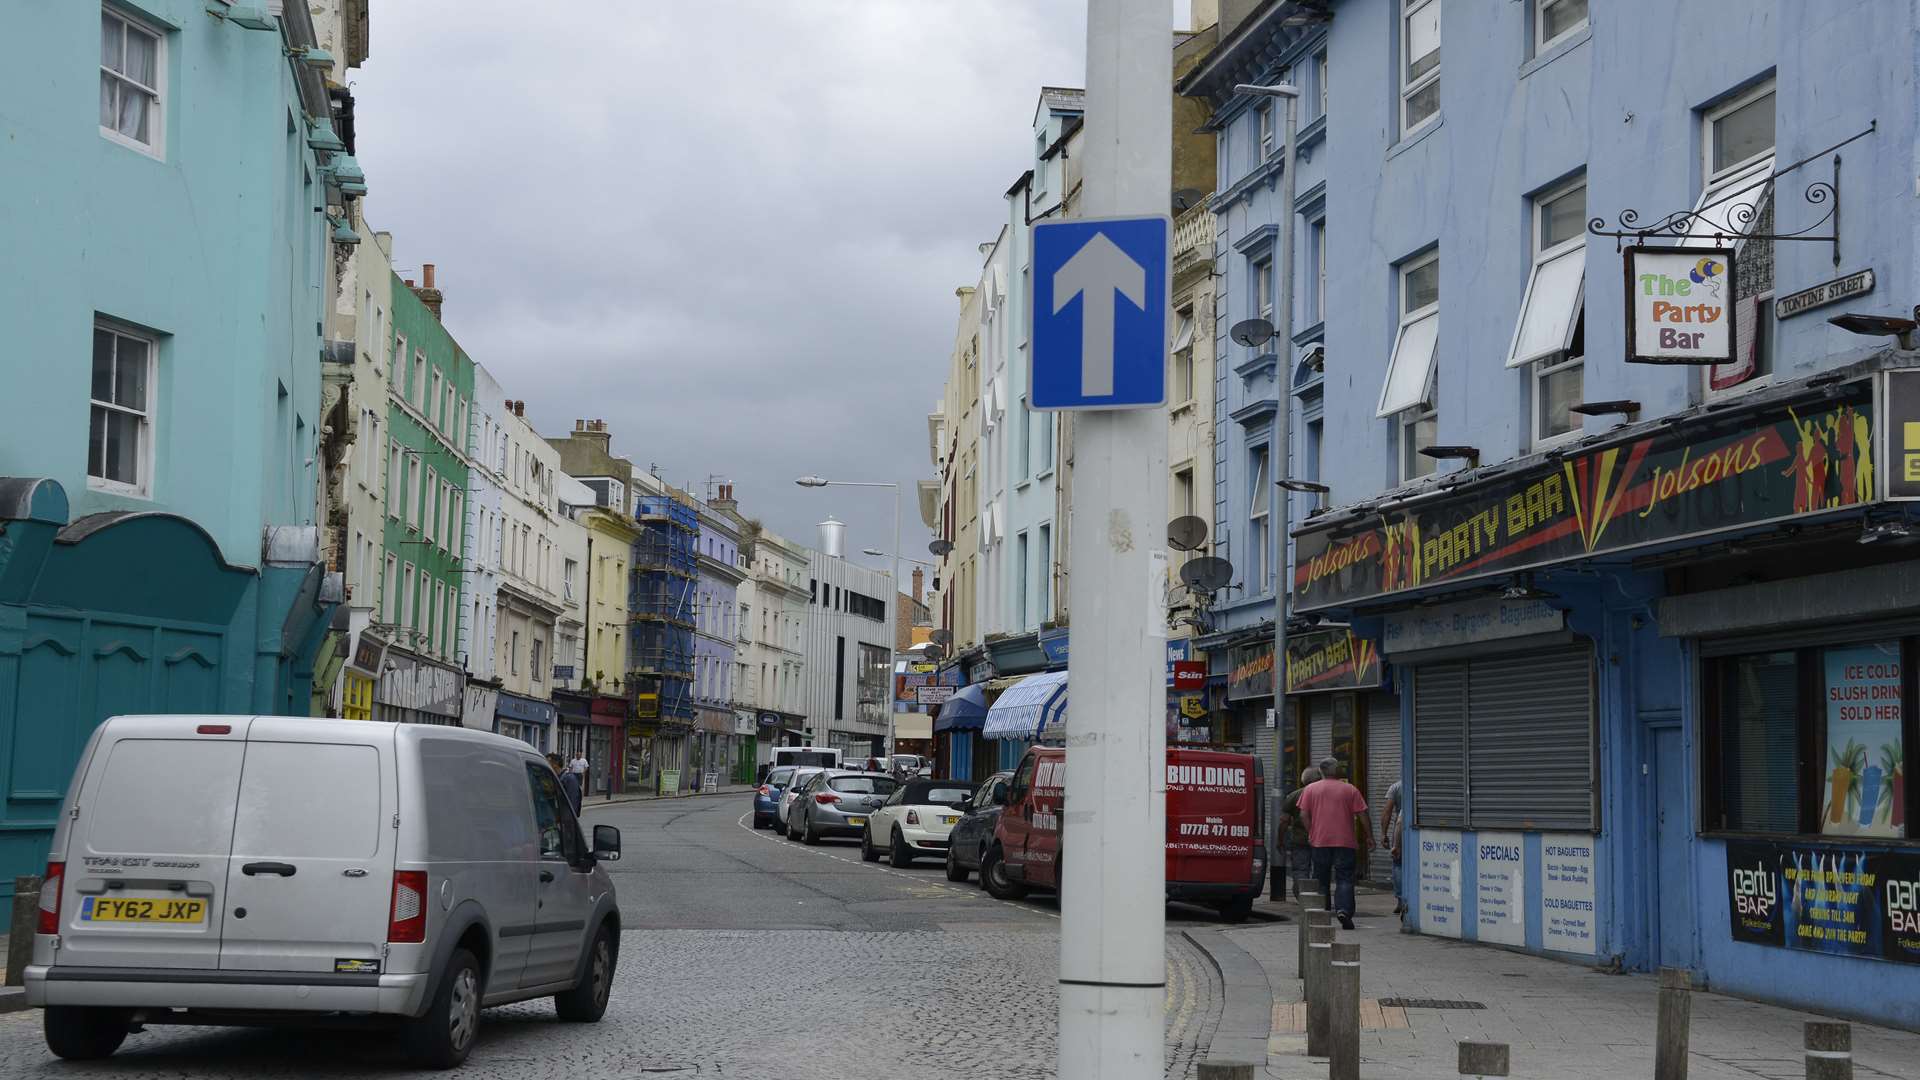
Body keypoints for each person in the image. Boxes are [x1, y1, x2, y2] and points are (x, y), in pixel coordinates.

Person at [1299, 757, 1370, 930]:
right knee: (1345, 878)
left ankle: (1322, 914)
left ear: (1321, 772)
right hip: (1345, 842)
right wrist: (1370, 836)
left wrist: (1311, 832)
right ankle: (1344, 911)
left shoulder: (1310, 789)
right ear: (1337, 771)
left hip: (1320, 841)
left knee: (1321, 878)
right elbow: (1362, 815)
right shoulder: (1350, 789)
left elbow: (1303, 815)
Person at [1277, 766, 1322, 894]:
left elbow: (1283, 821)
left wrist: (1280, 840)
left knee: (1301, 870)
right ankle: (1319, 895)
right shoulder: (1325, 794)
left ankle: (1303, 895)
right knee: (1320, 868)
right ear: (1319, 778)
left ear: (1303, 780)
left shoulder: (1294, 796)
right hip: (1321, 839)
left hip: (1300, 840)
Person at [1381, 780, 1406, 916]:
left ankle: (1401, 899)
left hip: (1400, 831)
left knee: (1398, 864)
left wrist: (1383, 834)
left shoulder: (1396, 787)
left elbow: (1387, 812)